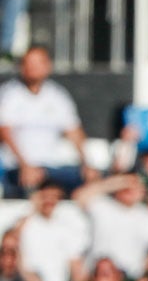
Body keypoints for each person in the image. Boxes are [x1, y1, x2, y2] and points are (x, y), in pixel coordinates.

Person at [0, 45, 98, 196]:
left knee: (94, 179)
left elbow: (74, 131)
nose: (33, 68)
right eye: (29, 63)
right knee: (29, 180)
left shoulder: (57, 95)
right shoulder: (10, 94)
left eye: (38, 63)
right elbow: (4, 132)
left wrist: (87, 163)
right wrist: (25, 165)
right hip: (16, 167)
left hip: (50, 166)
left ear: (48, 66)